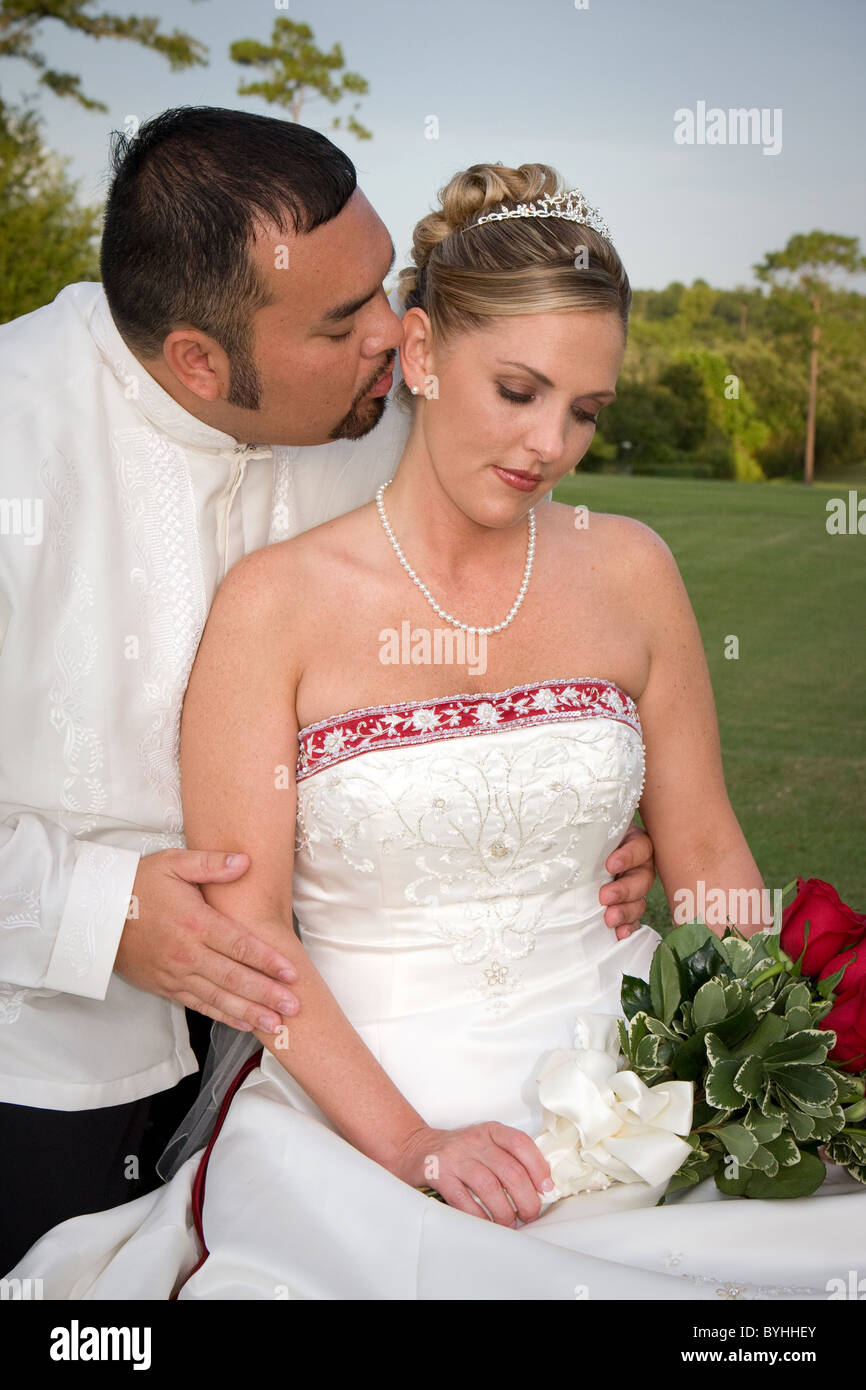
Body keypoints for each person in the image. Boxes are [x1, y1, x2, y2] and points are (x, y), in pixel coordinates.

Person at [11, 160, 865, 1300]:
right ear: (418, 354)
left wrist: (776, 1055)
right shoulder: (270, 602)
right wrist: (412, 1145)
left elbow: (707, 855)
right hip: (363, 1078)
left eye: (584, 409)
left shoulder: (631, 568)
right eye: (516, 390)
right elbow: (254, 929)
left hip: (628, 1064)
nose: (548, 444)